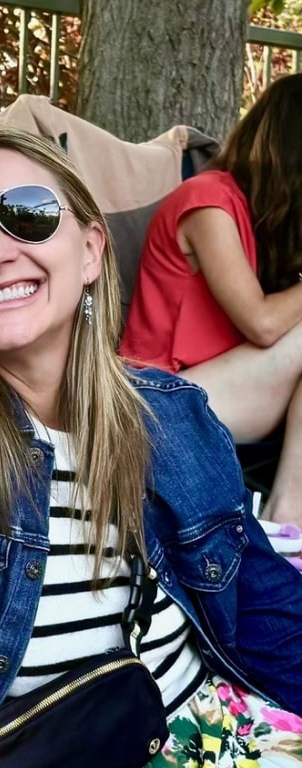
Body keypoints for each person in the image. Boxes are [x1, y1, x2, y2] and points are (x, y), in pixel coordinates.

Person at [0, 125, 302, 768]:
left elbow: (263, 610)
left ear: (90, 251)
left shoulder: (171, 412)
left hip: (211, 732)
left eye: (28, 215)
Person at [121, 73, 302, 527]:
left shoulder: (260, 217)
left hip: (215, 392)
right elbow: (261, 324)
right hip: (156, 405)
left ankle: (289, 523)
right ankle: (288, 519)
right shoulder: (209, 200)